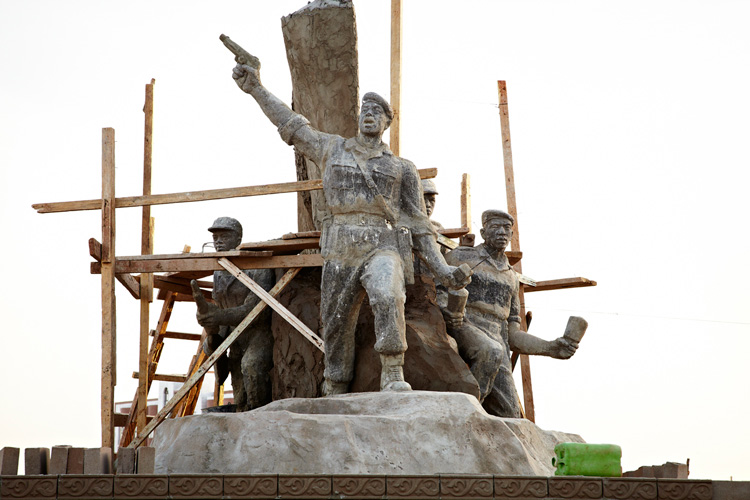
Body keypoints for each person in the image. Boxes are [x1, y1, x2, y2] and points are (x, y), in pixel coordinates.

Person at [230, 55, 470, 395]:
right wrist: (256, 88)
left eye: (377, 111)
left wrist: (443, 270)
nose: (368, 114)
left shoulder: (403, 168)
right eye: (364, 110)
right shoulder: (332, 148)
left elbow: (419, 225)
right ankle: (336, 382)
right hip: (341, 244)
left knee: (388, 294)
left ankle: (392, 371)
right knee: (337, 320)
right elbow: (292, 126)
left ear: (387, 122)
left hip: (382, 243)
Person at [440, 209, 579, 417]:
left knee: (512, 414)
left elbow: (512, 334)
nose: (502, 232)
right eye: (495, 227)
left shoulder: (511, 277)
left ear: (512, 235)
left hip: (498, 338)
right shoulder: (461, 256)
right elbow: (438, 288)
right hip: (465, 324)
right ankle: (465, 415)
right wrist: (447, 309)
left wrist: (551, 347)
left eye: (507, 228)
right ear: (483, 232)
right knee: (491, 351)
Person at [191, 217, 275, 411]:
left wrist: (218, 316)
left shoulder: (258, 266)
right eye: (215, 237)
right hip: (234, 335)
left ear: (238, 238)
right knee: (238, 379)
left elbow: (255, 310)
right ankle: (242, 416)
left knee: (252, 367)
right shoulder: (219, 270)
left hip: (257, 332)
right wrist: (211, 329)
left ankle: (262, 417)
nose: (218, 241)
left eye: (224, 236)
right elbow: (218, 305)